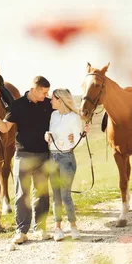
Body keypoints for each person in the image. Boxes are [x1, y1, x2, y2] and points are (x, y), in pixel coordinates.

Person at [0, 75, 60, 245]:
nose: (46, 95)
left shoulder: (48, 105)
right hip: (23, 155)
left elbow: (64, 115)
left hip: (44, 156)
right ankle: (21, 231)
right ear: (34, 90)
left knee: (41, 194)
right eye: (43, 92)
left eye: (47, 92)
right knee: (22, 195)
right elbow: (5, 128)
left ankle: (40, 229)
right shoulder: (17, 105)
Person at [45, 88, 90, 241]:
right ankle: (57, 228)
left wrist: (76, 138)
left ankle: (73, 226)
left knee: (65, 195)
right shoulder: (53, 115)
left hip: (66, 158)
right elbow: (51, 133)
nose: (50, 101)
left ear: (60, 100)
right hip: (52, 157)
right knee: (56, 195)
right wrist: (47, 135)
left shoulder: (73, 117)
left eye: (53, 99)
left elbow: (81, 141)